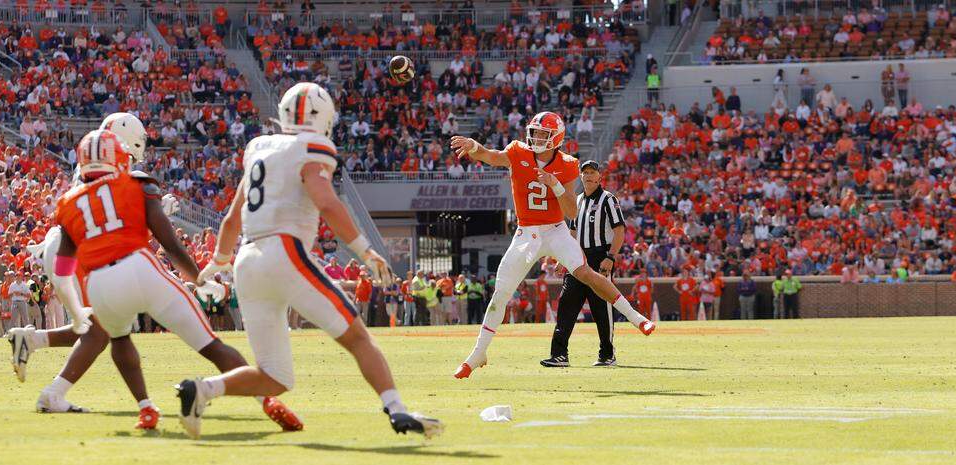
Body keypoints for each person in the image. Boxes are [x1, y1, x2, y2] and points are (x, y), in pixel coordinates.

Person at [179, 82, 442, 439]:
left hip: (246, 260)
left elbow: (230, 220)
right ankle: (396, 410)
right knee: (358, 339)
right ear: (324, 118)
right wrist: (366, 249)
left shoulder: (259, 147)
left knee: (276, 377)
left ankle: (203, 389)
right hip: (283, 252)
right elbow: (327, 202)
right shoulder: (312, 148)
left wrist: (216, 263)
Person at [50, 129, 297, 433]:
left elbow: (62, 274)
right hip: (139, 267)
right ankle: (268, 401)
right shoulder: (136, 185)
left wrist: (77, 314)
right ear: (118, 157)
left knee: (119, 340)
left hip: (99, 282)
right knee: (210, 344)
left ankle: (146, 409)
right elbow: (169, 242)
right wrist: (200, 280)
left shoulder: (67, 203)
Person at [449, 112, 654, 379]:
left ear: (556, 138)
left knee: (586, 273)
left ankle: (636, 317)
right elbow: (491, 156)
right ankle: (478, 354)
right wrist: (474, 147)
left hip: (556, 230)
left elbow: (571, 212)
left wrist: (556, 185)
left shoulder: (568, 164)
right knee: (501, 293)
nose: (536, 137)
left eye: (543, 133)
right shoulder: (518, 151)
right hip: (526, 233)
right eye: (534, 131)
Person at [544, 160, 628, 368]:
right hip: (577, 258)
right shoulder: (578, 200)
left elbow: (619, 231)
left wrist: (611, 257)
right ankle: (559, 354)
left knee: (601, 307)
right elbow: (571, 233)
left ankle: (607, 354)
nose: (588, 176)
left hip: (600, 257)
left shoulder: (608, 199)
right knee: (566, 305)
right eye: (585, 173)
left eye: (592, 173)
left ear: (600, 177)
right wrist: (564, 257)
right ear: (580, 176)